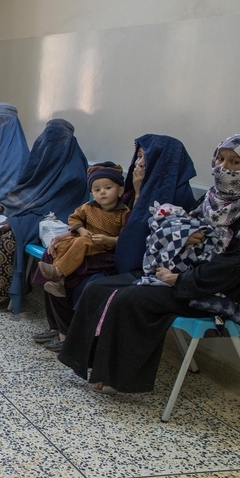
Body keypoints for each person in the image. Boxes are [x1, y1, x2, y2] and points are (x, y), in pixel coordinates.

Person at [57, 134, 240, 394]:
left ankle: (116, 378)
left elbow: (235, 266)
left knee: (132, 298)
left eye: (235, 162)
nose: (223, 167)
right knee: (98, 288)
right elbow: (184, 221)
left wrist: (181, 280)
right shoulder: (215, 197)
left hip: (213, 289)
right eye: (220, 159)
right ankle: (92, 362)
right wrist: (185, 235)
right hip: (180, 269)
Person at [35, 135, 196, 350]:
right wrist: (65, 236)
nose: (138, 163)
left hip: (130, 263)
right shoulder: (126, 191)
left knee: (76, 276)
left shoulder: (174, 196)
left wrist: (140, 194)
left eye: (145, 159)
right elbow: (84, 218)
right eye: (137, 157)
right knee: (53, 254)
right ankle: (58, 326)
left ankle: (69, 333)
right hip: (103, 248)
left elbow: (136, 237)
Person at [0, 118, 88, 313]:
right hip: (28, 216)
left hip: (53, 222)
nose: (47, 145)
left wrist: (15, 223)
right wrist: (2, 206)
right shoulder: (41, 164)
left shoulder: (74, 175)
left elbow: (56, 212)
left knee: (7, 240)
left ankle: (1, 293)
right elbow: (24, 191)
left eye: (54, 140)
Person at [38, 163, 129, 297]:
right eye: (97, 190)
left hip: (103, 245)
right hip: (84, 237)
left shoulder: (124, 213)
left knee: (81, 243)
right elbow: (74, 218)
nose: (102, 192)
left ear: (120, 190)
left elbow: (126, 237)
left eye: (108, 188)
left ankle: (57, 272)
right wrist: (81, 230)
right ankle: (59, 282)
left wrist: (108, 239)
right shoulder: (87, 207)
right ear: (92, 194)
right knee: (62, 245)